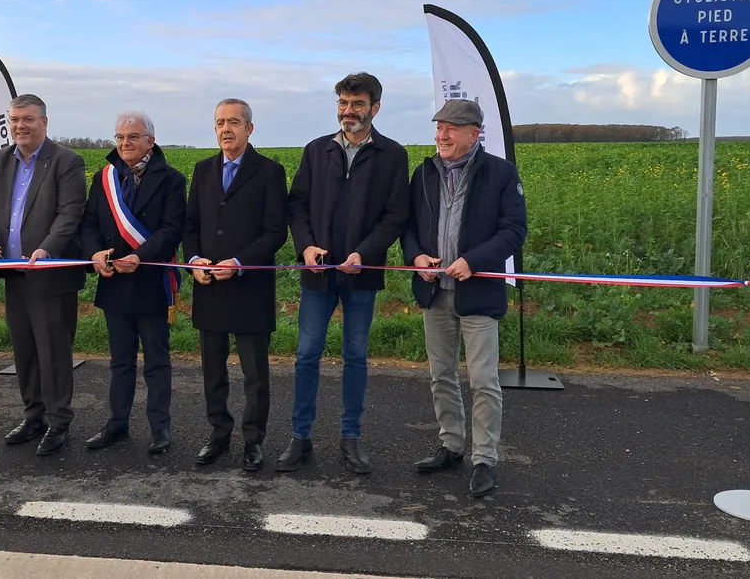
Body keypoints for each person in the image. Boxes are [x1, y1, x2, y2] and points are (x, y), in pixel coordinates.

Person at [282, 72, 409, 474]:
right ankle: (300, 438)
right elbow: (297, 205)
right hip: (318, 273)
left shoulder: (392, 155)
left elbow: (395, 216)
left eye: (356, 104)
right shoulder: (316, 150)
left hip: (362, 273)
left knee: (355, 356)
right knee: (306, 355)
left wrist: (364, 252)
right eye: (342, 103)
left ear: (375, 107)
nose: (348, 111)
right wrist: (305, 245)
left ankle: (350, 437)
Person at [401, 98, 527, 498]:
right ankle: (451, 446)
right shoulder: (424, 173)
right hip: (434, 292)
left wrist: (473, 260)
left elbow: (513, 230)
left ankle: (484, 459)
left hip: (478, 295)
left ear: (474, 133)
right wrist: (415, 256)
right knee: (441, 375)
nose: (442, 136)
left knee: (484, 381)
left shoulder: (501, 173)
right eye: (439, 128)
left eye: (450, 129)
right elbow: (408, 227)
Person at [0, 94, 87, 456]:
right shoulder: (2, 160)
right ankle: (34, 415)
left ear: (44, 122)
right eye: (14, 120)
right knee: (24, 349)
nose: (19, 126)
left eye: (27, 119)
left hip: (49, 274)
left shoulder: (67, 161)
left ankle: (59, 422)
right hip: (13, 273)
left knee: (53, 352)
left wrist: (46, 249)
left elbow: (69, 214)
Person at [184, 98, 288, 471]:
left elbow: (275, 231)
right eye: (219, 123)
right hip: (208, 285)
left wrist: (240, 262)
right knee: (213, 369)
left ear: (249, 128)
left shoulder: (269, 172)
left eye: (233, 122)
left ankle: (253, 440)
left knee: (254, 374)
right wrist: (193, 261)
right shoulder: (202, 170)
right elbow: (191, 225)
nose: (225, 129)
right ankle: (218, 433)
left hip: (249, 287)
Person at [80, 110, 185, 455]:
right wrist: (96, 254)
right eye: (120, 137)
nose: (125, 143)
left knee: (156, 360)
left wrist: (140, 256)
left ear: (150, 141)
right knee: (119, 360)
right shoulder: (104, 178)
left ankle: (160, 427)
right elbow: (89, 223)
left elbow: (172, 229)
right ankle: (117, 423)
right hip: (114, 283)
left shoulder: (171, 179)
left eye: (133, 137)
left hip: (151, 282)